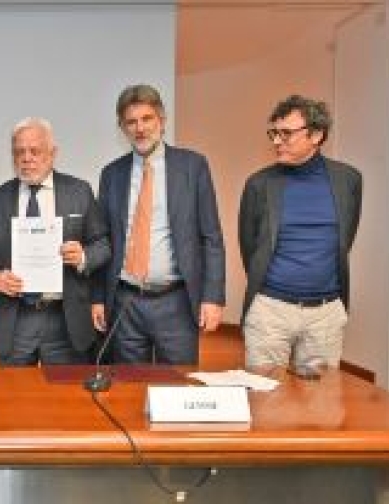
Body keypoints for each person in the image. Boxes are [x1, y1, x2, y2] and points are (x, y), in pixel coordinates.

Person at [92, 84, 225, 365]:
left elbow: (211, 237)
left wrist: (213, 297)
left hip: (176, 301)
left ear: (162, 121)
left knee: (177, 385)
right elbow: (102, 241)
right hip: (125, 302)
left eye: (147, 118)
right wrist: (97, 298)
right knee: (128, 385)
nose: (140, 128)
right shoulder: (111, 174)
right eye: (131, 122)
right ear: (122, 128)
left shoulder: (193, 166)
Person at [239, 95, 362, 370]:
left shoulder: (349, 180)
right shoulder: (258, 184)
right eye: (274, 133)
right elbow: (250, 247)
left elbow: (346, 238)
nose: (276, 141)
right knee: (266, 393)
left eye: (286, 133)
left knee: (321, 396)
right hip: (270, 312)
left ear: (316, 135)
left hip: (325, 316)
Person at [0, 118, 109, 365]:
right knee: (14, 390)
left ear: (53, 153)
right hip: (15, 319)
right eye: (19, 152)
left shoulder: (79, 191)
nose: (27, 158)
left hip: (65, 319)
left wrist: (83, 257)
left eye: (34, 151)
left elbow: (102, 244)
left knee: (66, 390)